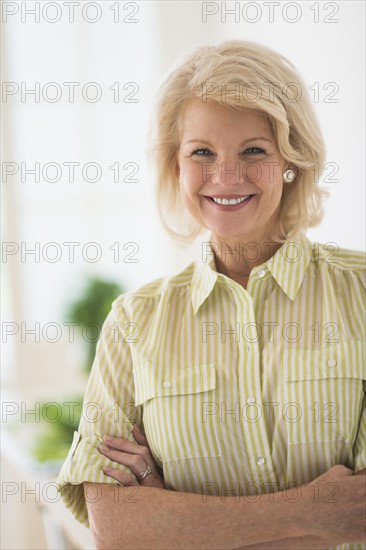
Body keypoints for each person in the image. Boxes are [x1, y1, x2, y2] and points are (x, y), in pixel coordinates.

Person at [57, 40, 366, 549]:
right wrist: (314, 512)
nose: (226, 176)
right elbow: (115, 527)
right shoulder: (134, 321)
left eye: (254, 150)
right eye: (202, 152)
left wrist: (175, 518)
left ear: (292, 160)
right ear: (175, 166)